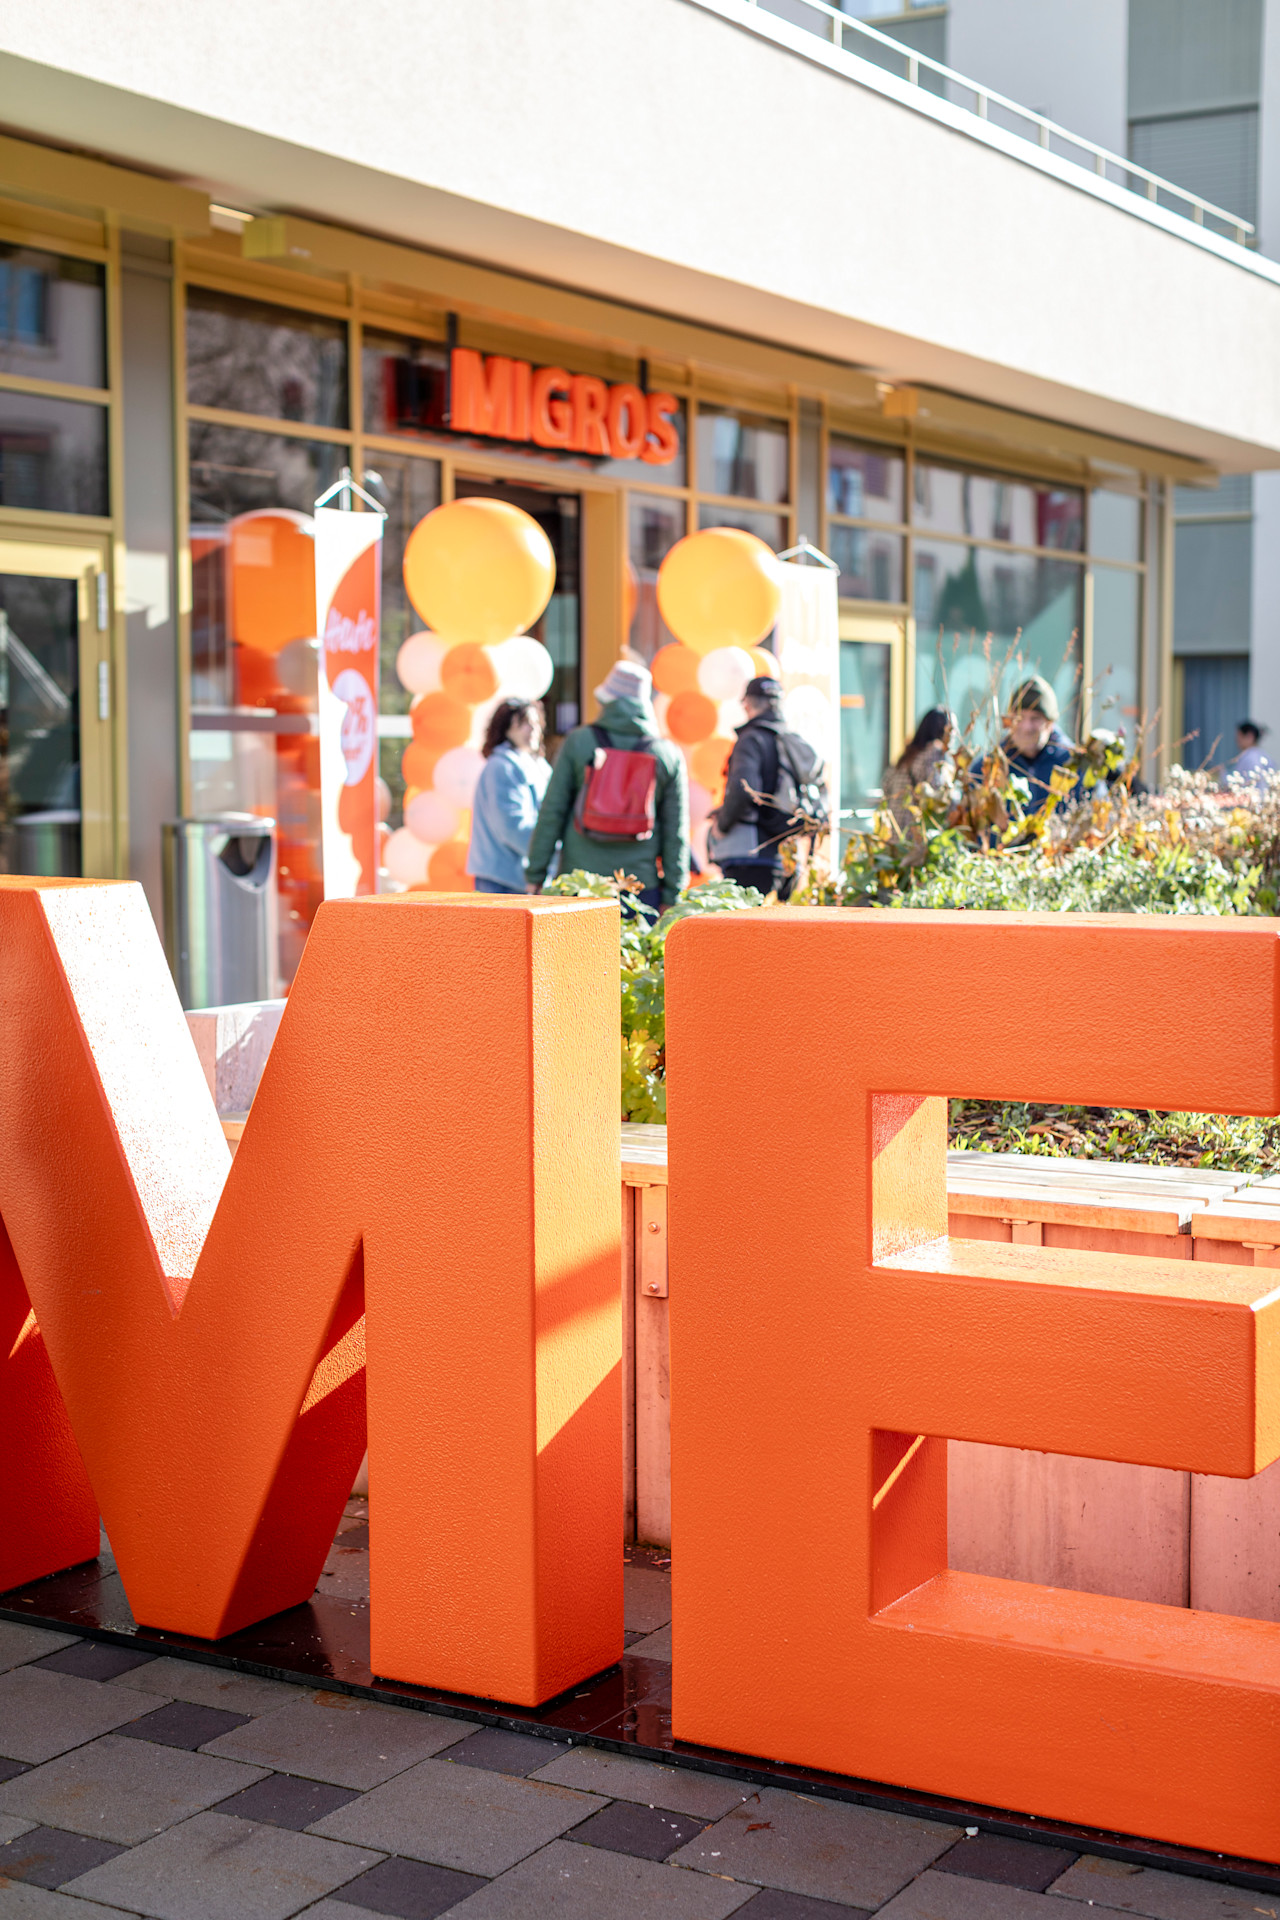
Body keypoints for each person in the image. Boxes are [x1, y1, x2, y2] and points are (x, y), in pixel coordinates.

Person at [525, 659, 689, 910]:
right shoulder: (667, 754)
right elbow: (675, 833)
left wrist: (535, 875)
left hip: (578, 884)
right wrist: (672, 895)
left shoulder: (579, 742)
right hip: (639, 889)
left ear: (607, 701)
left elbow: (552, 812)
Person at [710, 675, 825, 900]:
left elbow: (743, 790)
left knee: (742, 927)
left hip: (749, 852)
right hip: (784, 853)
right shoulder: (791, 740)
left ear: (748, 703)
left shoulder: (751, 740)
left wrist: (721, 826)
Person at [466, 698, 551, 894]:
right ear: (505, 729)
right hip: (502, 881)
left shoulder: (537, 764)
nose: (532, 730)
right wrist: (548, 855)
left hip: (521, 877)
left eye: (535, 723)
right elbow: (513, 827)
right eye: (523, 724)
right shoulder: (502, 767)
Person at [985, 674, 1080, 806]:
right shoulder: (988, 768)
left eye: (1035, 718)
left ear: (1050, 724)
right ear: (1009, 720)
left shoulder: (1074, 766)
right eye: (1020, 717)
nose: (1026, 727)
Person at [881, 707, 956, 842]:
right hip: (916, 836)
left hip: (893, 836)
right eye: (953, 730)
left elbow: (885, 784)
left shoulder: (907, 755)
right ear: (945, 731)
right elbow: (941, 797)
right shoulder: (936, 753)